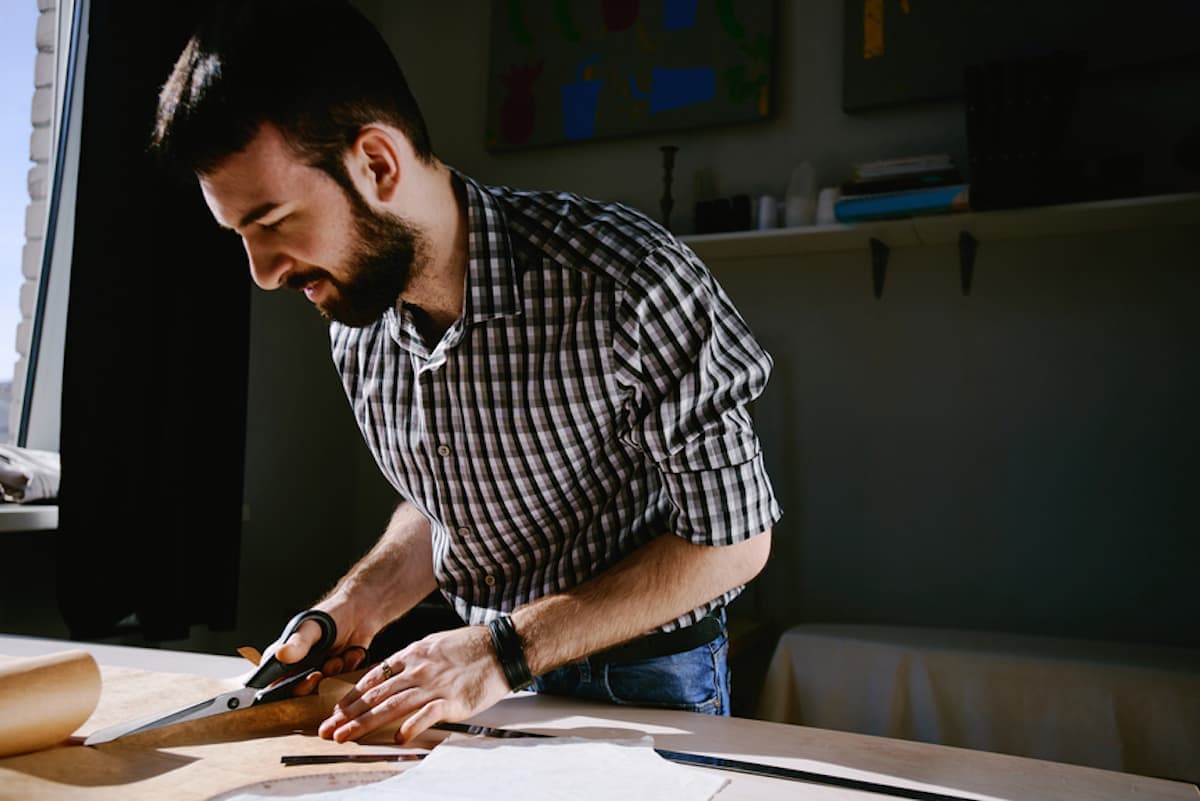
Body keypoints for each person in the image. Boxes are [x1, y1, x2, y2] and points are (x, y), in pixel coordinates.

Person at [152, 0, 782, 745]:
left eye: (271, 221)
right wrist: (354, 606)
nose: (261, 274)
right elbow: (447, 505)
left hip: (643, 679)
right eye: (240, 237)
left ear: (376, 163)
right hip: (474, 683)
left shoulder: (628, 280)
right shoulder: (358, 323)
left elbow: (734, 540)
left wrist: (501, 651)